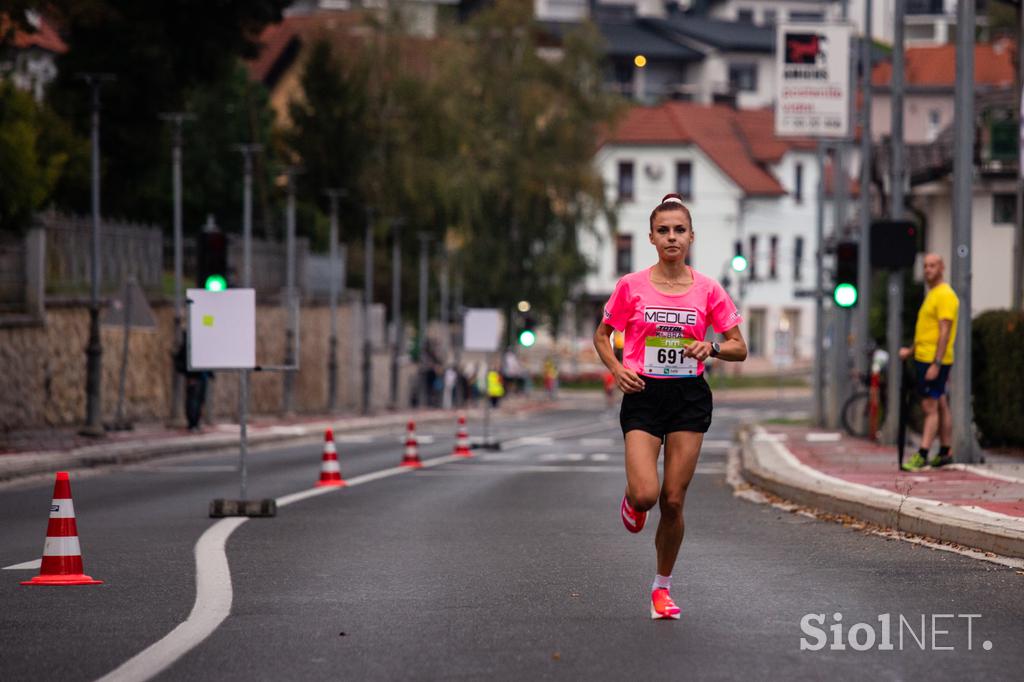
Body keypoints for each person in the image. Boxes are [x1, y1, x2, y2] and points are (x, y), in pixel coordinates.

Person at [593, 192, 747, 620]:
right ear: (651, 238)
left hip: (688, 397)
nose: (672, 237)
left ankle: (662, 587)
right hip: (643, 393)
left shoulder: (708, 289)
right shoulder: (631, 286)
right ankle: (632, 501)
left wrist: (711, 347)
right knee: (646, 494)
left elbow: (740, 347)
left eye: (679, 230)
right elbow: (602, 335)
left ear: (691, 236)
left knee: (673, 501)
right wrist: (616, 368)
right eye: (664, 231)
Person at [899, 253, 959, 471]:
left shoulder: (945, 295)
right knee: (940, 403)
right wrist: (911, 351)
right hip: (924, 356)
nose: (927, 270)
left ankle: (922, 454)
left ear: (942, 268)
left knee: (929, 406)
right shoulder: (933, 294)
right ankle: (945, 451)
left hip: (933, 360)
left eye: (932, 266)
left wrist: (936, 363)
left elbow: (945, 331)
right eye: (925, 266)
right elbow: (928, 331)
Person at [173, 331, 212, 432]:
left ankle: (196, 423)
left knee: (199, 401)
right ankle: (192, 424)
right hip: (194, 377)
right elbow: (182, 360)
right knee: (193, 400)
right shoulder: (189, 346)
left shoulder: (203, 345)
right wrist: (189, 374)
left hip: (203, 377)